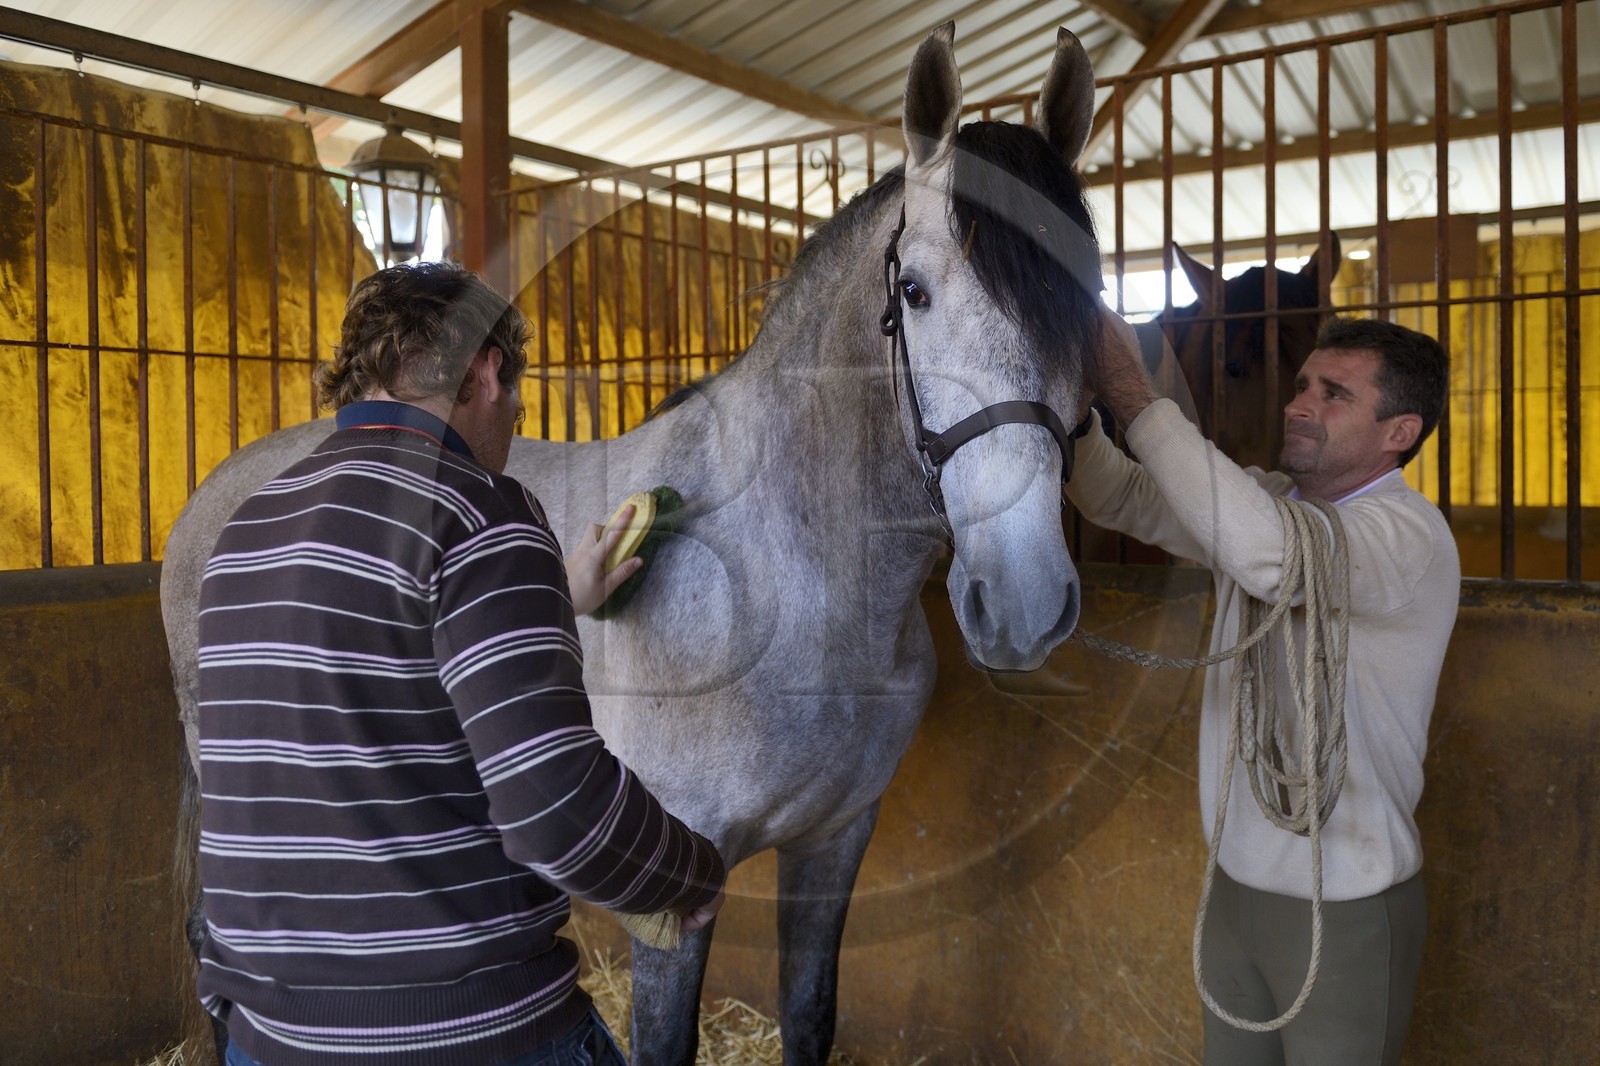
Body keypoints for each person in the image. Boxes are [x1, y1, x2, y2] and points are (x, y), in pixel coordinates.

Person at [195, 261, 725, 1066]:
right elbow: (558, 808)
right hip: (459, 1032)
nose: (512, 423)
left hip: (265, 1037)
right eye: (516, 395)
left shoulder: (247, 528)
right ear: (485, 370)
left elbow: (374, 672)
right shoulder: (479, 509)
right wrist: (685, 873)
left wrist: (553, 596)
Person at [1072, 311, 1459, 1066]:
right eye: (1303, 384)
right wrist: (1078, 407)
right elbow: (1117, 495)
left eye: (1334, 394)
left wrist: (1134, 392)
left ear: (1400, 432)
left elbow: (1270, 558)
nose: (1298, 404)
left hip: (1344, 905)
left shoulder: (1407, 536)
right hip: (1234, 890)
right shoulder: (1270, 505)